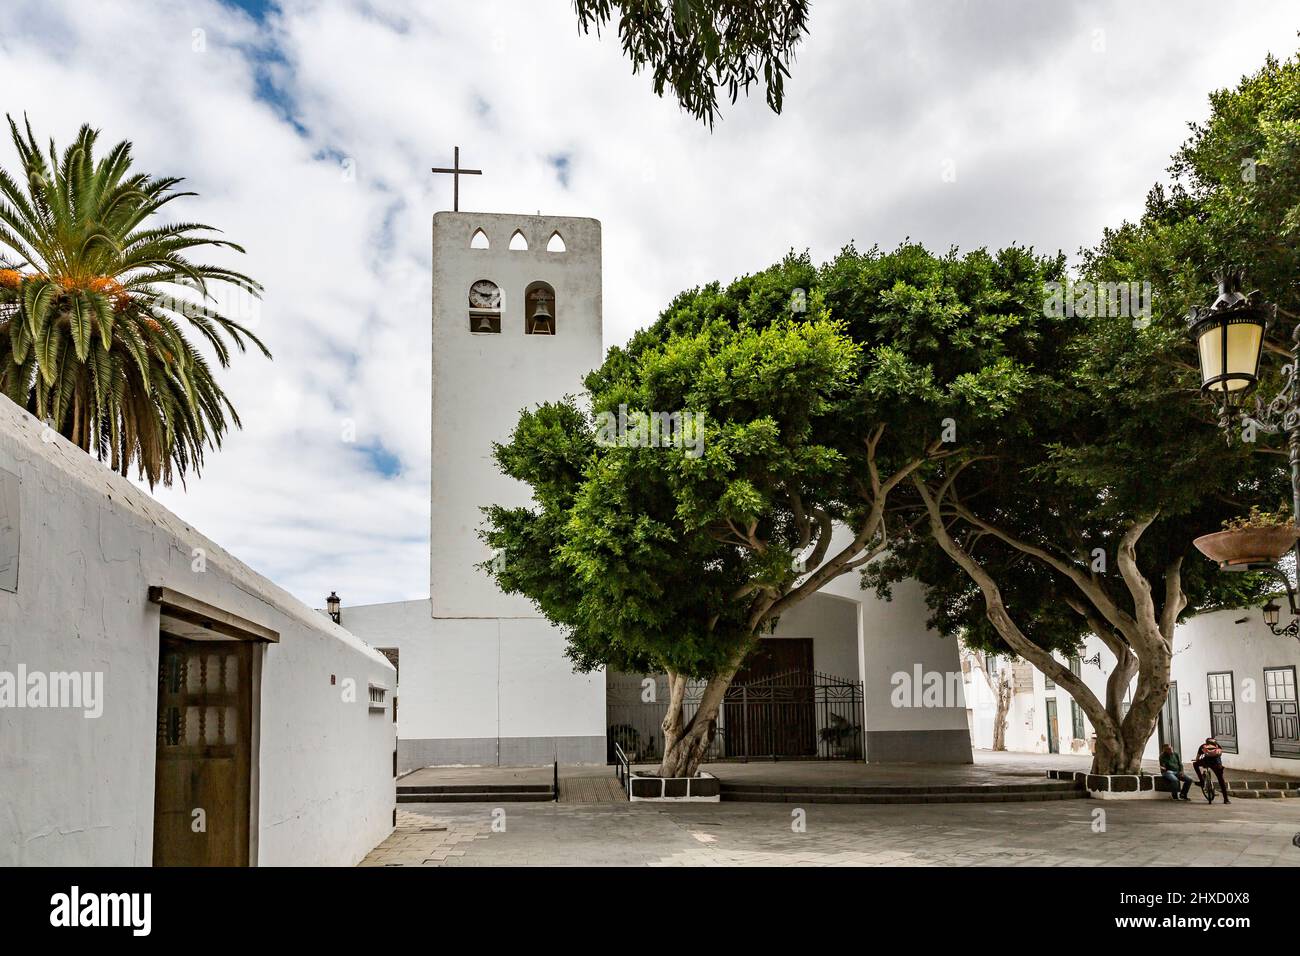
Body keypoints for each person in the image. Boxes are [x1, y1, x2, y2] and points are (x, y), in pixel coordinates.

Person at [1193, 736, 1230, 804]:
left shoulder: (1203, 746)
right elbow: (1219, 756)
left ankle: (1201, 781)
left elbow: (1197, 758)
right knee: (1221, 780)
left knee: (1195, 764)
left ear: (1206, 742)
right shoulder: (1218, 746)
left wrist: (1197, 760)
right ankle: (1226, 799)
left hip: (1206, 762)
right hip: (1217, 765)